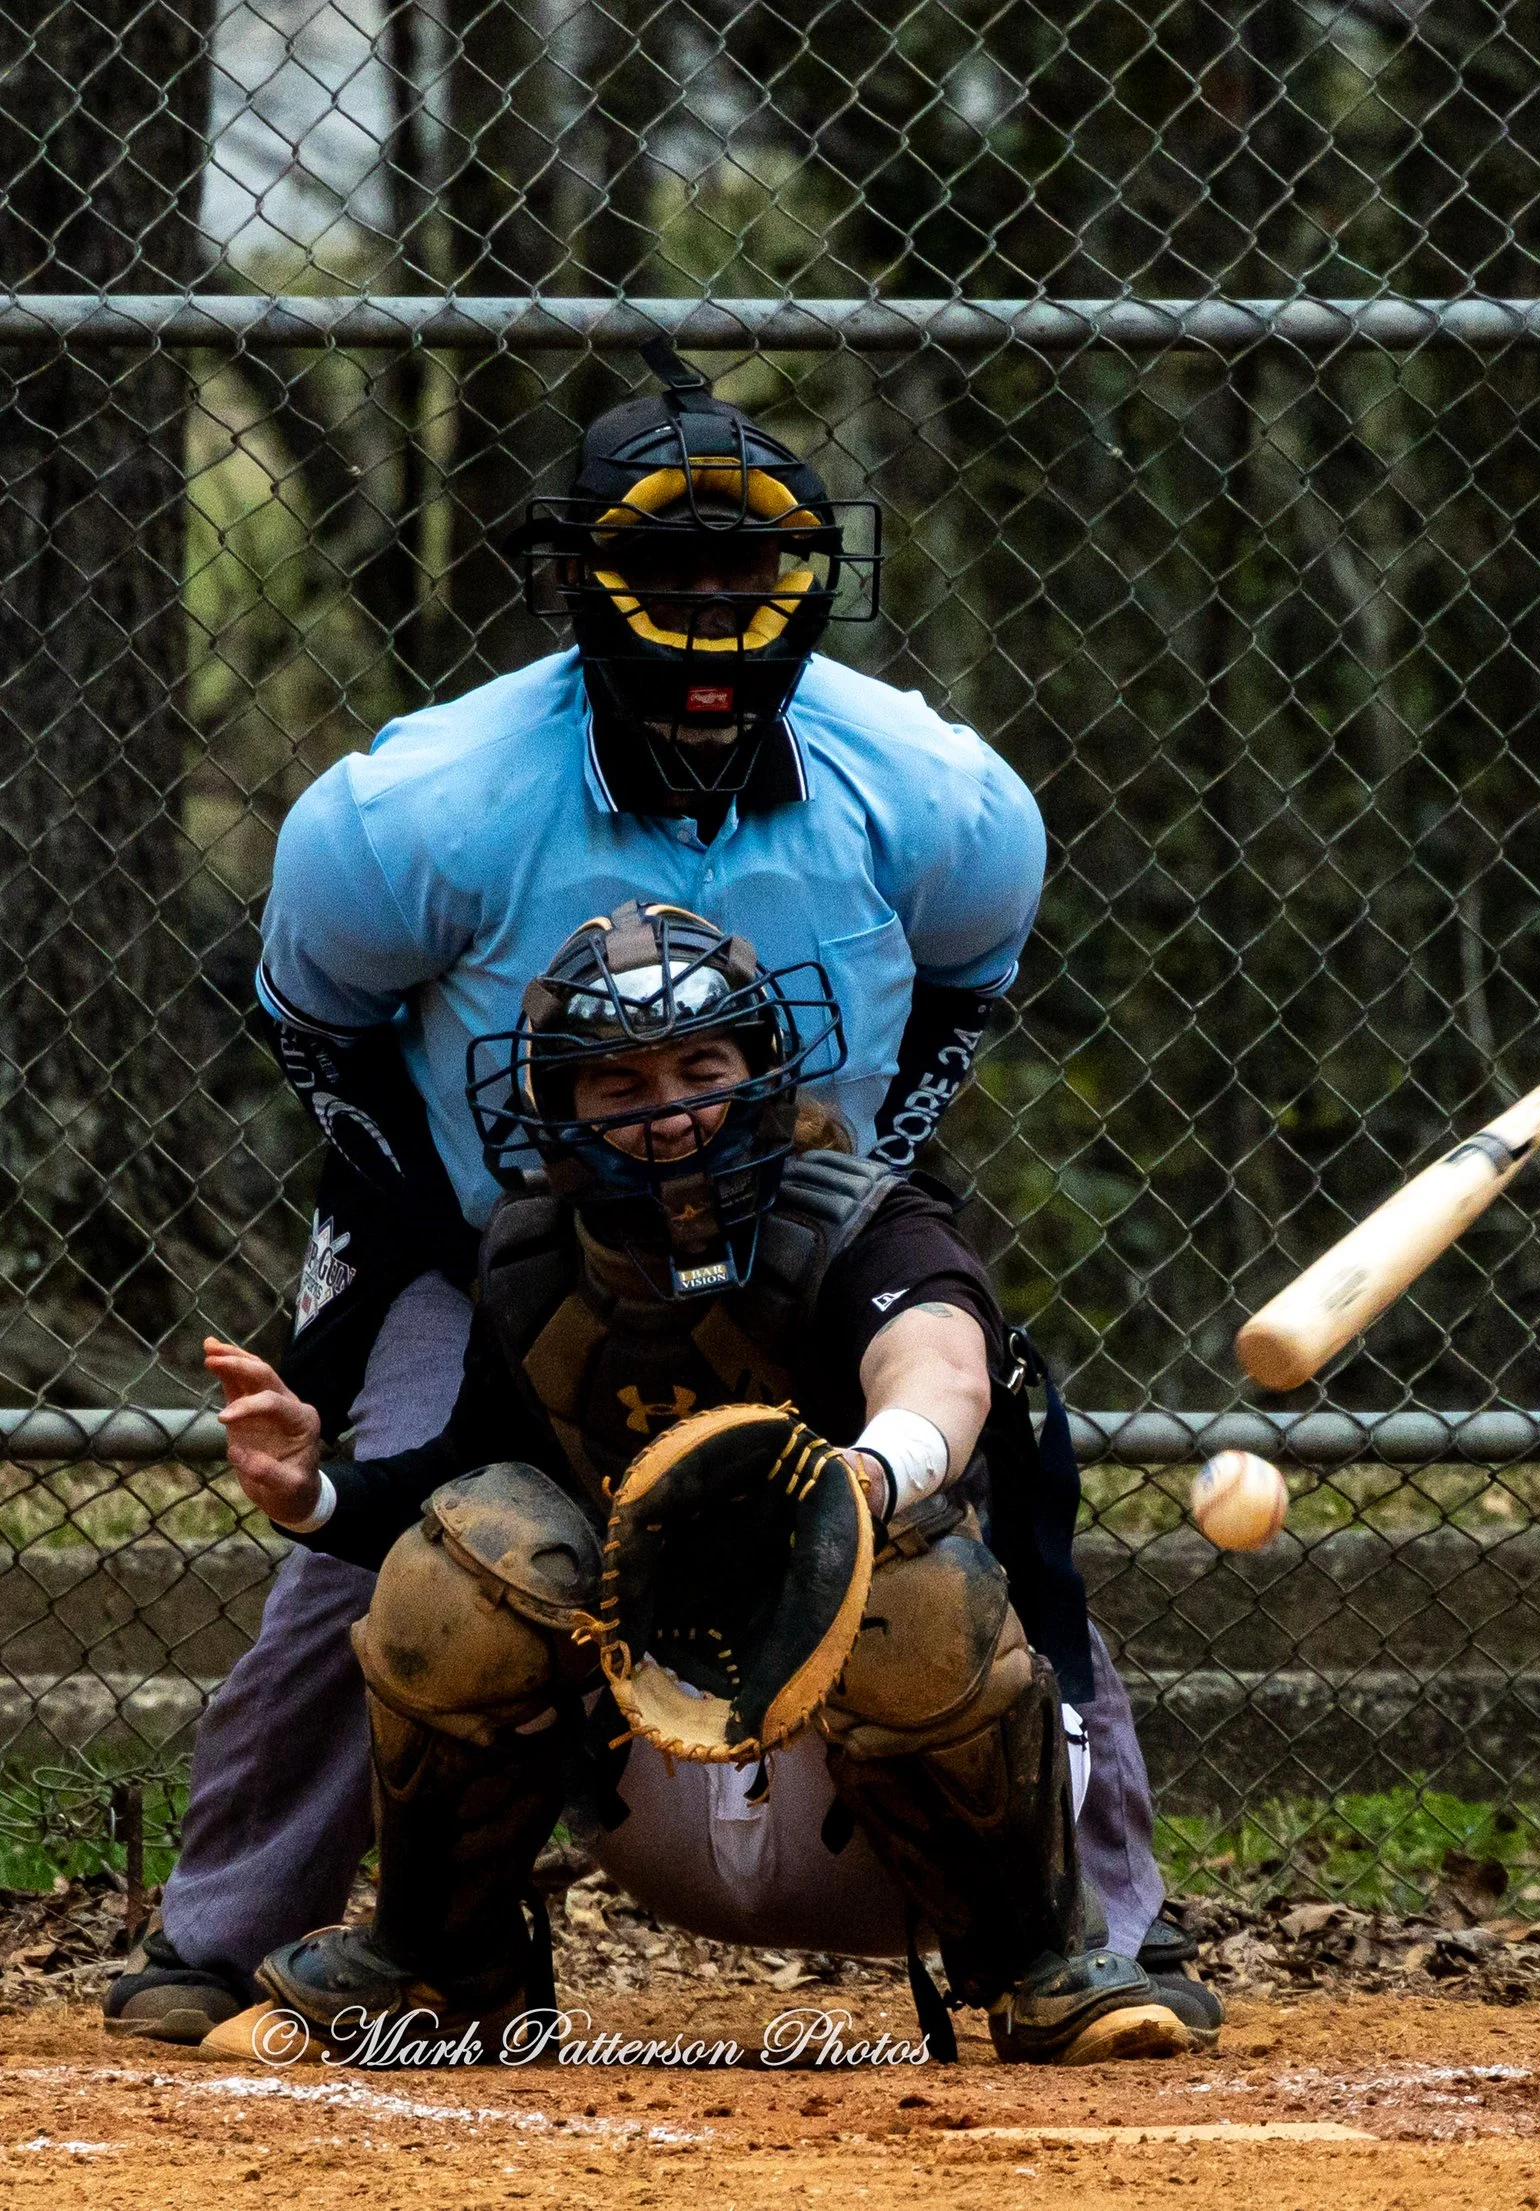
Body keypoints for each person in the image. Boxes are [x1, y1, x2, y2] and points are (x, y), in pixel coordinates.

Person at [107, 344, 1185, 2041]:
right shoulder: (417, 813)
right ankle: (244, 1935)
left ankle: (1105, 1928)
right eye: (670, 569)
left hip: (802, 1230)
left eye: (741, 567)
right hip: (492, 1235)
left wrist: (860, 1197)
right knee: (395, 1545)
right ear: (582, 584)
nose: (711, 607)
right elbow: (318, 1026)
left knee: (1003, 1503)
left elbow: (973, 986)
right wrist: (457, 1261)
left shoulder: (935, 797)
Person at [195, 902, 1216, 2064]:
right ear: (558, 1107)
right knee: (475, 1545)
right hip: (657, 1776)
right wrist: (313, 1496)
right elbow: (462, 1474)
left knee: (909, 1570)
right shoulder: (533, 1263)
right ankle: (440, 1965)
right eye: (618, 1085)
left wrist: (862, 1483)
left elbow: (940, 1372)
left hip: (904, 1808)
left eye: (699, 1068)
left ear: (762, 1073)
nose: (668, 1112)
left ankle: (1040, 1965)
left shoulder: (868, 1226)